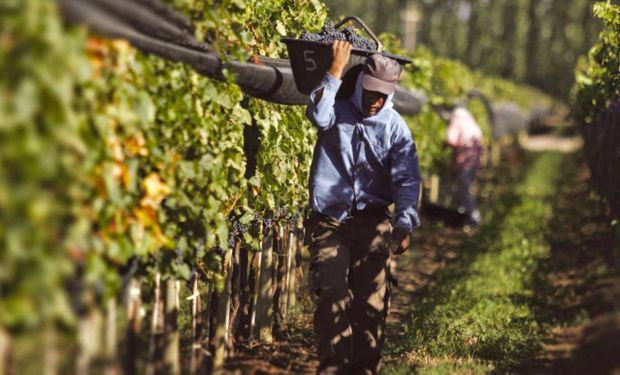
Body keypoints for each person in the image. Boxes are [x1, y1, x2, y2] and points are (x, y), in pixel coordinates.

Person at [304, 40, 421, 374]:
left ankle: (364, 369)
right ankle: (333, 367)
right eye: (370, 93)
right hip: (332, 220)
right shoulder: (337, 108)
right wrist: (335, 70)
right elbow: (317, 113)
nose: (376, 101)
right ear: (358, 86)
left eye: (383, 95)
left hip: (374, 223)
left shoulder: (395, 127)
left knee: (370, 305)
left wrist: (405, 222)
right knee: (332, 292)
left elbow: (407, 179)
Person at [445, 105, 484, 230]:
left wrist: (444, 146)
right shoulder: (471, 122)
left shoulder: (457, 121)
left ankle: (473, 217)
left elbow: (451, 139)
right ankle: (465, 216)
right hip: (475, 162)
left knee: (464, 190)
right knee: (466, 189)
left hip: (465, 163)